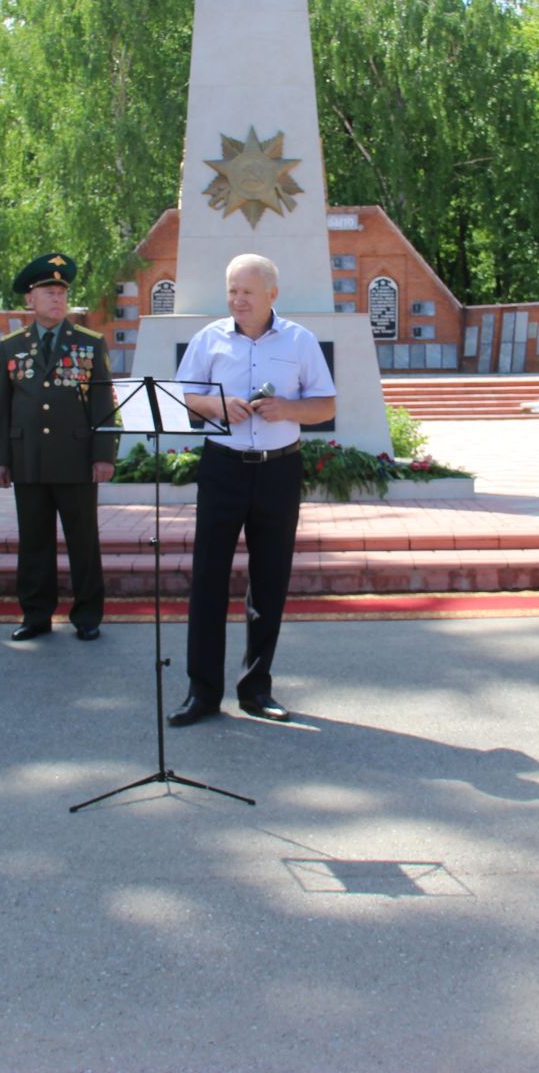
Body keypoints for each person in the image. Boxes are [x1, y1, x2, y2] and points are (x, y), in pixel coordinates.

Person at [166, 254, 337, 727]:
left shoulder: (300, 340)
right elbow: (182, 395)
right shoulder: (209, 339)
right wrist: (218, 405)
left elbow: (325, 404)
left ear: (272, 295)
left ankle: (256, 689)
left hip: (278, 472)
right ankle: (202, 692)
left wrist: (288, 409)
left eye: (247, 291)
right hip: (223, 469)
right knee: (208, 580)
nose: (238, 300)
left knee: (270, 581)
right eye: (232, 290)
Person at [0, 253, 117, 641]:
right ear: (30, 300)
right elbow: (1, 407)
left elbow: (102, 404)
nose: (56, 299)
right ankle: (36, 615)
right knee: (34, 541)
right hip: (28, 458)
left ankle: (88, 615)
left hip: (76, 459)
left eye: (61, 292)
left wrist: (103, 455)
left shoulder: (89, 344)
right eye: (48, 292)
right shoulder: (12, 346)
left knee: (83, 541)